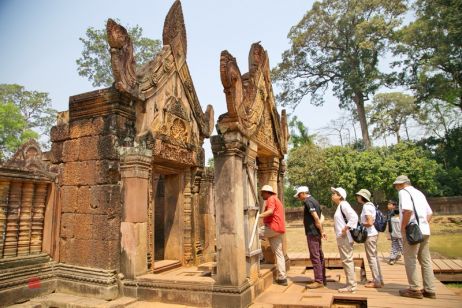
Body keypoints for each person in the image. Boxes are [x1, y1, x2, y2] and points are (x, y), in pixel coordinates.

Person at [393, 175, 436, 299]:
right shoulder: (419, 193)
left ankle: (414, 289)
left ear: (402, 184)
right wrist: (423, 224)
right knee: (425, 260)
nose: (396, 187)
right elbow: (430, 213)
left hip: (412, 231)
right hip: (424, 230)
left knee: (410, 259)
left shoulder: (403, 192)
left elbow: (407, 210)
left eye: (396, 185)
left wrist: (403, 228)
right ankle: (430, 289)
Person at [294, 186, 326, 289]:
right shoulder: (315, 201)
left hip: (312, 232)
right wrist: (322, 231)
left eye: (299, 195)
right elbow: (322, 217)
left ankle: (319, 281)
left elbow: (316, 217)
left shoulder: (308, 202)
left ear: (303, 193)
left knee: (315, 256)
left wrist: (322, 231)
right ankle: (322, 278)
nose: (299, 198)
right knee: (319, 255)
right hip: (316, 232)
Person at [259, 184, 287, 286]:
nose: (261, 195)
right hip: (279, 229)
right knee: (279, 254)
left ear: (267, 193)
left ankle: (260, 257)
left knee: (252, 235)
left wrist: (258, 216)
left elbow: (270, 212)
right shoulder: (276, 199)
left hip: (273, 227)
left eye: (262, 193)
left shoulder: (271, 199)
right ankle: (282, 278)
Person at [332, 187, 359, 293]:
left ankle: (351, 286)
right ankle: (350, 284)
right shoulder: (340, 206)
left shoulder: (344, 204)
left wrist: (345, 229)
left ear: (340, 196)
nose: (333, 195)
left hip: (345, 238)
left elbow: (354, 217)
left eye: (334, 193)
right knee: (346, 260)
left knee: (347, 260)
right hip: (342, 238)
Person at [355, 189, 384, 288]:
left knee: (371, 258)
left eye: (358, 196)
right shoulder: (371, 205)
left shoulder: (366, 207)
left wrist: (359, 224)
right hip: (374, 233)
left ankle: (377, 281)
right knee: (374, 257)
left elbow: (370, 222)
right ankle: (379, 279)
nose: (357, 197)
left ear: (362, 197)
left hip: (370, 235)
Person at [386, 200, 403, 265]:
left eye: (390, 204)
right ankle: (394, 257)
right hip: (397, 234)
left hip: (394, 233)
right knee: (400, 246)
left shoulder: (392, 215)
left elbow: (389, 224)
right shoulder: (390, 213)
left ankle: (393, 258)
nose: (388, 205)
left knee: (396, 245)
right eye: (388, 204)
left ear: (394, 206)